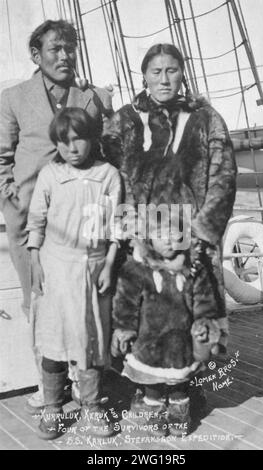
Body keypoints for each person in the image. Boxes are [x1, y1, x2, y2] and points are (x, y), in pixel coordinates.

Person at [103, 43, 237, 434]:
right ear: (143, 75)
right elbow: (108, 179)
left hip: (191, 241)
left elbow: (224, 178)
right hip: (140, 242)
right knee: (144, 319)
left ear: (182, 73)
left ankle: (185, 393)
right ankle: (147, 392)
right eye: (156, 71)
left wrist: (203, 233)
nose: (164, 79)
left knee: (192, 317)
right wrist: (124, 232)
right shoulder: (123, 121)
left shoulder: (207, 119)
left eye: (172, 71)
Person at [0, 19, 113, 412]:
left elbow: (110, 154)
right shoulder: (13, 98)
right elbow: (1, 157)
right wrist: (11, 199)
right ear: (36, 55)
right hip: (31, 222)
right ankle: (51, 389)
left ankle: (86, 387)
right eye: (55, 49)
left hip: (81, 224)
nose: (65, 56)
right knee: (39, 302)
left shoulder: (92, 97)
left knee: (82, 302)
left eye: (70, 48)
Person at [26, 107, 122, 440]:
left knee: (90, 343)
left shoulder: (108, 175)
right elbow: (35, 223)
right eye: (64, 142)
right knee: (54, 342)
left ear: (93, 138)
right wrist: (35, 262)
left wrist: (109, 264)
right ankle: (52, 407)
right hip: (55, 268)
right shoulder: (50, 175)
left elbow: (117, 227)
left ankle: (92, 408)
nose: (72, 148)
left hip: (94, 270)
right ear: (57, 144)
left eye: (79, 139)